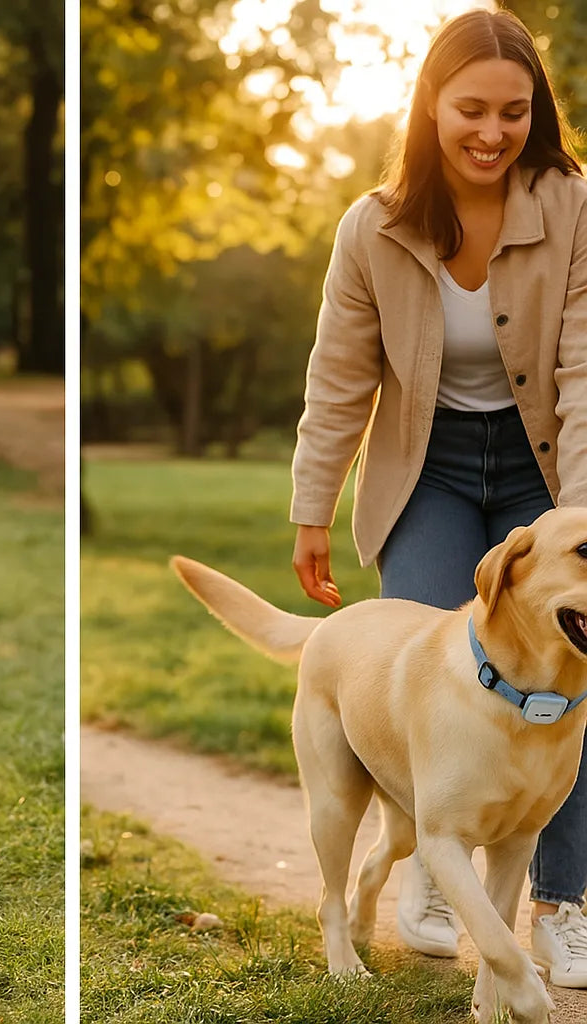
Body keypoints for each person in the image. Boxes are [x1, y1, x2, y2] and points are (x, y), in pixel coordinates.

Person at [289, 8, 587, 987]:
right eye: (470, 110)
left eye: (512, 112)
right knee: (430, 673)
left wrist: (576, 524)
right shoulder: (372, 227)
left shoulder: (573, 204)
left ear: (533, 113)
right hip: (425, 466)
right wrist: (311, 507)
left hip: (548, 463)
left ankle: (560, 904)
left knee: (562, 681)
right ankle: (427, 863)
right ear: (429, 106)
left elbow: (584, 373)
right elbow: (338, 378)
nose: (491, 133)